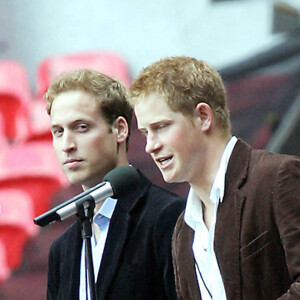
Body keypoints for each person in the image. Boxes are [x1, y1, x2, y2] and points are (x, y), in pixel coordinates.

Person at [128, 56, 300, 300]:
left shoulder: (277, 176)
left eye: (161, 127)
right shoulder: (182, 231)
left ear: (203, 117)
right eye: (145, 133)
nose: (150, 146)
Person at [44, 69, 185, 300]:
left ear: (120, 129)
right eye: (58, 131)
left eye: (81, 127)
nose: (66, 144)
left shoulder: (167, 217)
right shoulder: (62, 251)